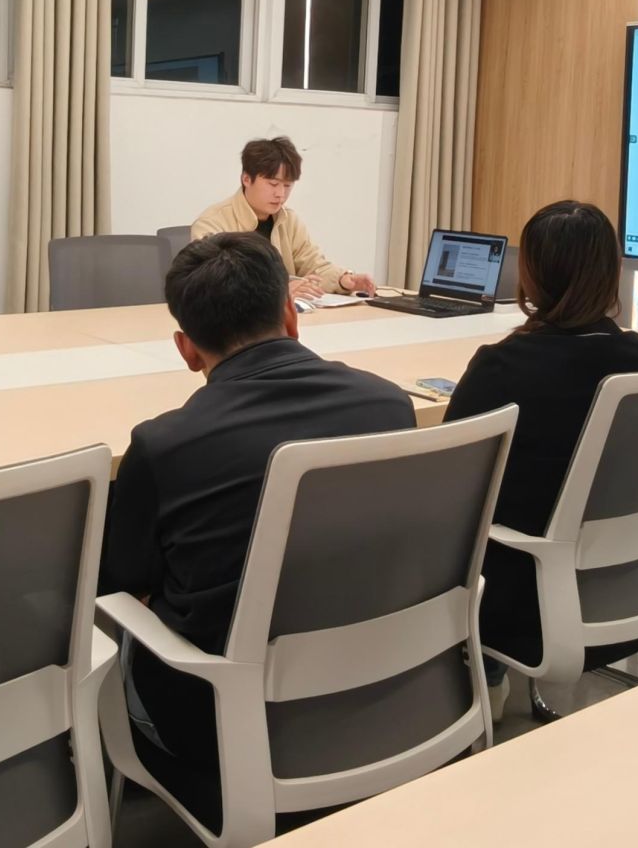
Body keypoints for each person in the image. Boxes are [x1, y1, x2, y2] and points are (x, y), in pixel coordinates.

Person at [98, 232, 416, 829]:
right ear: (291, 316)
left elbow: (121, 583)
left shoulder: (163, 446)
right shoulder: (390, 406)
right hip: (391, 688)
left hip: (223, 725)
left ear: (186, 350)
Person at [441, 200, 638, 677]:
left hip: (525, 597)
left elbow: (446, 485)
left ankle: (475, 684)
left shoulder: (500, 368)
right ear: (613, 270)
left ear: (530, 278)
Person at [190, 136, 376, 302]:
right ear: (246, 179)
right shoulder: (212, 223)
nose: (280, 194)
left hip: (288, 318)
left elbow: (313, 264)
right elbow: (218, 285)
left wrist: (343, 280)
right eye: (273, 184)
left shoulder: (289, 220)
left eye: (287, 186)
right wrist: (279, 290)